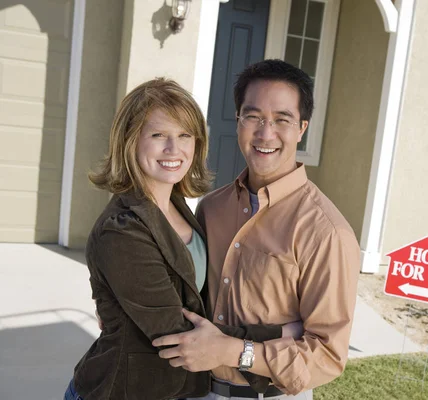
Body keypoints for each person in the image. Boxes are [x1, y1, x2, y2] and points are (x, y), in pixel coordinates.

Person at [64, 78, 291, 400]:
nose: (174, 149)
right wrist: (280, 334)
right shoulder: (122, 230)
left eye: (185, 135)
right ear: (131, 142)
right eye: (159, 135)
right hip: (123, 389)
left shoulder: (179, 207)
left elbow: (199, 299)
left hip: (174, 388)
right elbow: (178, 335)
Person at [153, 60, 361, 399]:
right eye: (253, 117)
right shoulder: (212, 208)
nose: (266, 133)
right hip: (195, 389)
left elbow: (326, 356)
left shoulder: (327, 232)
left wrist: (234, 352)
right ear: (237, 122)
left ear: (301, 128)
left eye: (282, 119)